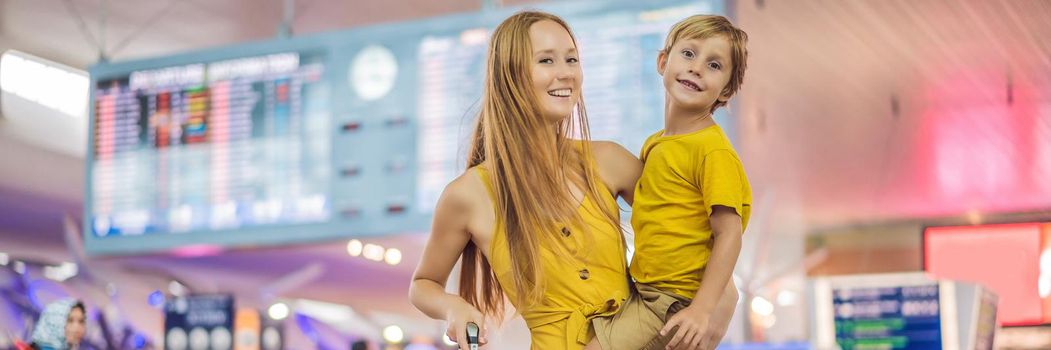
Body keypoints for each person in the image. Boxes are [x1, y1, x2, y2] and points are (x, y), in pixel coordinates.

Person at [409, 10, 642, 350]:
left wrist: (714, 301)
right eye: (546, 60)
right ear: (509, 75)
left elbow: (685, 234)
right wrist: (453, 306)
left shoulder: (609, 160)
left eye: (571, 59)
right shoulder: (468, 194)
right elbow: (423, 282)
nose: (565, 74)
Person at [590, 14, 751, 350]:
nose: (696, 68)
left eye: (714, 65)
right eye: (689, 54)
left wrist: (702, 309)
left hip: (674, 300)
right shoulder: (657, 143)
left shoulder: (712, 151)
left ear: (727, 90)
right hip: (645, 290)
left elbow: (729, 232)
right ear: (663, 61)